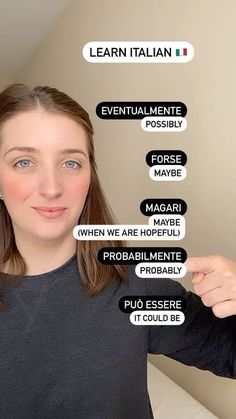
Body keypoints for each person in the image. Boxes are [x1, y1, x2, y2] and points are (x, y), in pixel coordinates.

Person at [0, 83, 235, 419]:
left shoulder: (135, 283)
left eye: (71, 163)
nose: (51, 188)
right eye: (24, 162)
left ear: (89, 177)